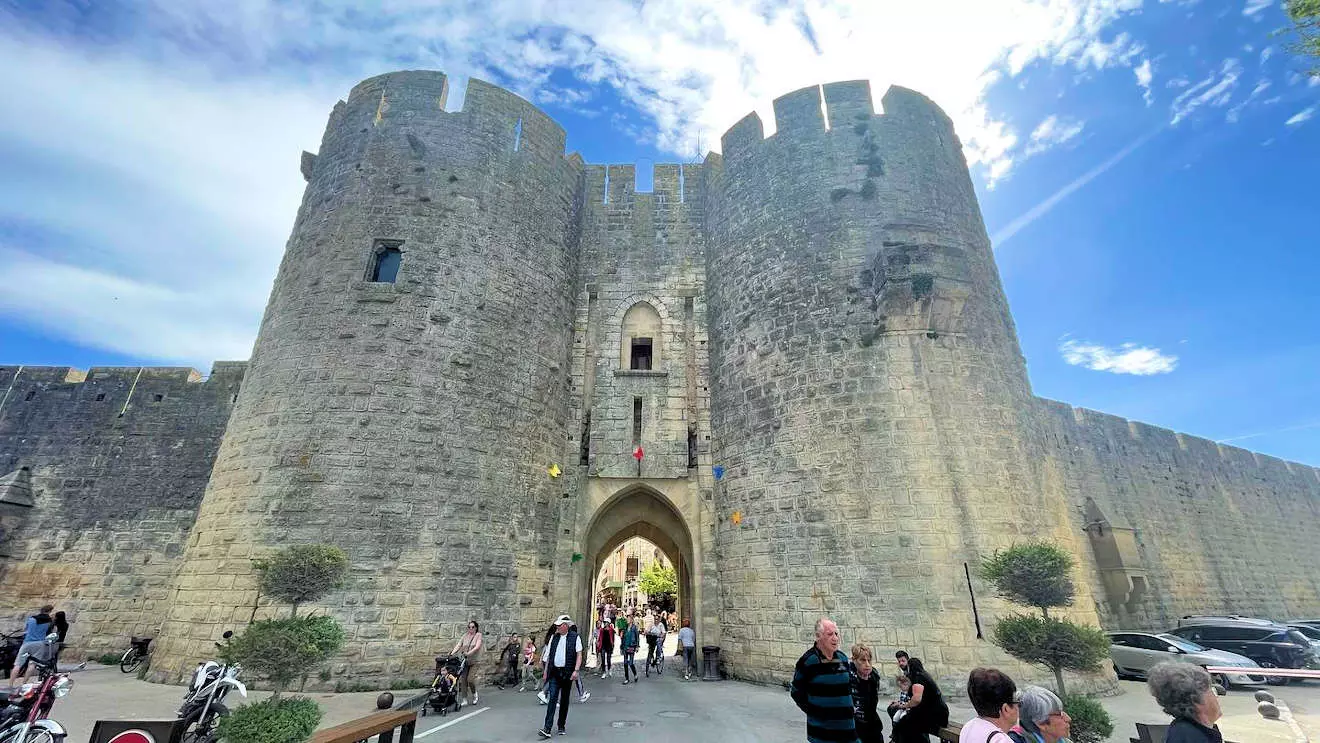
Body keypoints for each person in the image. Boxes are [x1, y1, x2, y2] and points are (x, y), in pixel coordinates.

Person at [789, 617, 857, 743]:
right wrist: (816, 712)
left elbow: (849, 688)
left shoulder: (842, 658)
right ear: (818, 636)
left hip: (848, 731)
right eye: (830, 634)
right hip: (822, 734)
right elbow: (796, 692)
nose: (835, 638)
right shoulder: (808, 661)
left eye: (836, 633)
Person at [1146, 662, 1223, 743]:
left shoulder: (1185, 730)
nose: (1216, 697)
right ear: (1195, 700)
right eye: (1212, 692)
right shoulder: (1192, 737)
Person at [538, 614, 583, 738]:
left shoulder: (575, 638)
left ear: (565, 626)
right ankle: (547, 727)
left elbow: (579, 655)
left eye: (559, 625)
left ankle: (561, 725)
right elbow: (549, 656)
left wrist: (576, 670)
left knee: (564, 700)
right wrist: (546, 671)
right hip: (555, 673)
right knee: (552, 699)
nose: (557, 627)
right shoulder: (554, 638)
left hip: (567, 673)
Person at [892, 657, 950, 743]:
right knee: (905, 722)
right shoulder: (923, 675)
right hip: (937, 713)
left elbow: (916, 699)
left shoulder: (918, 677)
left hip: (936, 716)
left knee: (904, 725)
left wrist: (904, 706)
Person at [956, 668, 1020, 743]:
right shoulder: (1000, 740)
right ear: (1006, 709)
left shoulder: (968, 727)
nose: (1018, 706)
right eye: (1017, 702)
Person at [9, 604, 54, 687]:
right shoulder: (49, 622)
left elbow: (26, 629)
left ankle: (11, 684)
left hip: (27, 642)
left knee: (18, 664)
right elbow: (49, 632)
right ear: (49, 612)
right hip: (39, 644)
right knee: (32, 664)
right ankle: (24, 684)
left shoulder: (31, 619)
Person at [848, 643, 883, 743]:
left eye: (869, 660)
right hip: (854, 727)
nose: (867, 664)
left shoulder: (874, 676)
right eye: (863, 660)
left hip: (872, 725)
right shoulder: (847, 677)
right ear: (854, 660)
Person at [450, 620, 483, 706]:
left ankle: (474, 694)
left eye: (473, 627)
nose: (470, 629)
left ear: (476, 628)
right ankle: (464, 699)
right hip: (465, 661)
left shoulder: (478, 635)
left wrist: (469, 653)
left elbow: (477, 647)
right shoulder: (465, 636)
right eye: (469, 627)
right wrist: (451, 653)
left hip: (475, 661)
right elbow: (458, 645)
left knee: (470, 679)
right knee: (463, 680)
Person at [621, 615, 641, 685]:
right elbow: (622, 638)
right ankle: (627, 678)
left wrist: (637, 646)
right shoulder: (625, 627)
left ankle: (635, 674)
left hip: (632, 646)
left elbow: (637, 637)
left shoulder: (634, 628)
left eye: (629, 619)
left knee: (631, 663)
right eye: (627, 619)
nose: (627, 620)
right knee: (625, 663)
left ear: (632, 620)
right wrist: (621, 647)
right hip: (625, 646)